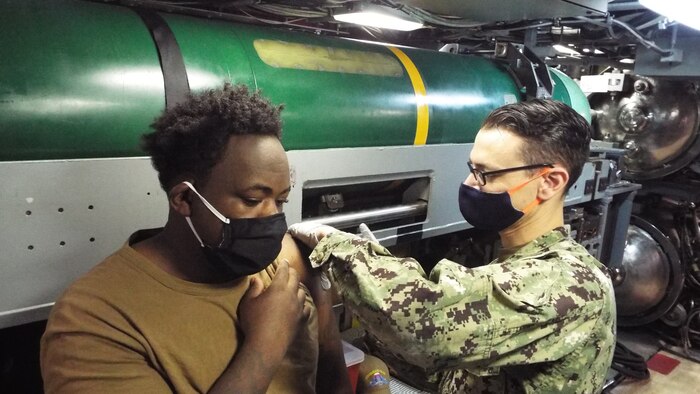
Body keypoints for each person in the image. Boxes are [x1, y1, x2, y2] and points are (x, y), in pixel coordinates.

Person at [41, 83, 351, 393]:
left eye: (281, 200)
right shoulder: (92, 321)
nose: (272, 218)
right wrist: (265, 345)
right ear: (185, 200)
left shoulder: (284, 261)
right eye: (253, 199)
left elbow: (332, 371)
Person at [289, 99, 616, 393]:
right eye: (472, 169)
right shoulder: (513, 263)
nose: (470, 183)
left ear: (549, 182)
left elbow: (421, 328)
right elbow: (460, 368)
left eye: (486, 174)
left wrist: (334, 244)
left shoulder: (568, 282)